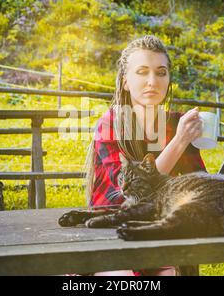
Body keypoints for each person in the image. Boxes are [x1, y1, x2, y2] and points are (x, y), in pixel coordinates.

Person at [83, 35, 207, 276]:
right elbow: (131, 193)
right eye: (142, 72)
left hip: (159, 232)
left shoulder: (177, 123)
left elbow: (198, 182)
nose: (152, 81)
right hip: (110, 233)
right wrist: (180, 140)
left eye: (161, 73)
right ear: (125, 81)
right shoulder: (110, 124)